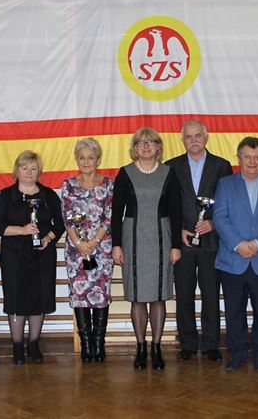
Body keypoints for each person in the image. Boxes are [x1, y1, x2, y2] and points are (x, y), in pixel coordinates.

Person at [213, 136, 258, 372]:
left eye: (257, 157)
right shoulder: (225, 184)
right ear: (239, 159)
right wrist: (238, 244)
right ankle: (237, 353)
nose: (252, 162)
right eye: (247, 157)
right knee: (234, 311)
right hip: (232, 259)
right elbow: (220, 218)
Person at [112, 127, 182, 371]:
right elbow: (116, 213)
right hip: (133, 239)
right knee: (138, 295)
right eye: (140, 142)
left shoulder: (168, 173)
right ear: (135, 148)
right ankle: (141, 347)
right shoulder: (125, 173)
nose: (145, 146)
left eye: (150, 142)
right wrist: (116, 244)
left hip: (161, 239)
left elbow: (176, 212)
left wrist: (176, 246)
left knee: (159, 295)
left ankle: (156, 347)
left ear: (158, 146)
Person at [166, 120, 232, 362]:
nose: (193, 140)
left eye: (197, 136)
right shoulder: (171, 167)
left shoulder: (221, 166)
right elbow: (168, 205)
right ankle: (188, 343)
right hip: (183, 241)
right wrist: (179, 230)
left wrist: (213, 223)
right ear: (182, 139)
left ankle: (211, 343)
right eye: (188, 137)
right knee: (184, 294)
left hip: (212, 240)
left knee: (211, 293)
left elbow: (227, 202)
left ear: (206, 137)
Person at [0, 151, 64, 365]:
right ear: (16, 170)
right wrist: (21, 230)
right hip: (14, 256)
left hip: (42, 256)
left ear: (39, 172)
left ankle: (33, 344)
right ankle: (16, 347)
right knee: (16, 299)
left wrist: (48, 238)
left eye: (33, 168)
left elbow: (60, 224)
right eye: (25, 168)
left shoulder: (49, 195)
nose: (29, 172)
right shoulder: (6, 195)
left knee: (39, 299)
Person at [60, 137, 114, 363]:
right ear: (77, 159)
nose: (86, 161)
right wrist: (79, 243)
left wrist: (93, 242)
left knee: (101, 294)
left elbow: (109, 216)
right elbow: (67, 217)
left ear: (98, 159)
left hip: (101, 248)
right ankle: (86, 344)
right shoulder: (68, 185)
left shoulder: (109, 184)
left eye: (90, 157)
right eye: (81, 157)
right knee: (80, 295)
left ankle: (99, 344)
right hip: (76, 250)